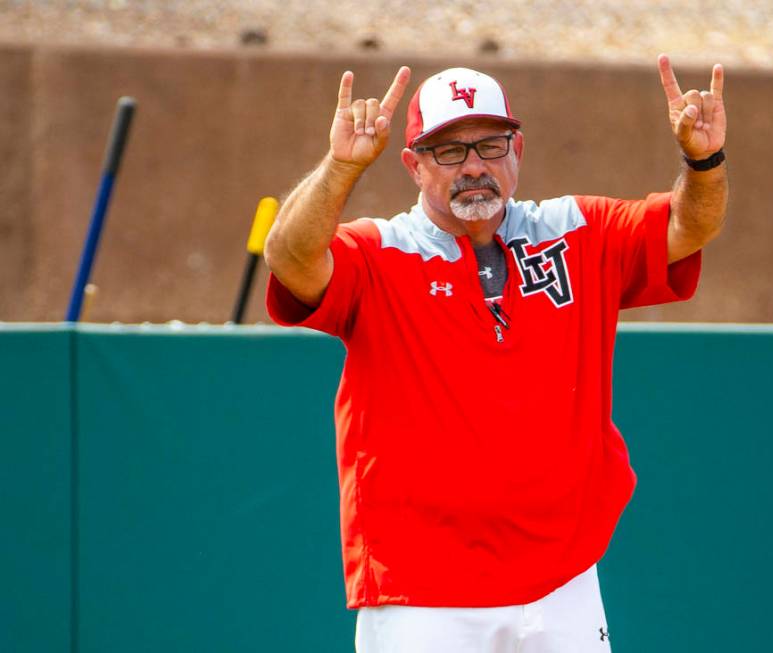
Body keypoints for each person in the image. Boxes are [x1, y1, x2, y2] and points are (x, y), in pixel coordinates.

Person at [264, 57, 728, 652]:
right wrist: (340, 167)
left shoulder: (575, 229)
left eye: (490, 144)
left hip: (561, 580)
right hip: (422, 590)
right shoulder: (379, 251)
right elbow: (290, 257)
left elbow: (690, 227)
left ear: (518, 150)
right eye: (450, 151)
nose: (475, 166)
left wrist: (704, 160)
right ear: (414, 165)